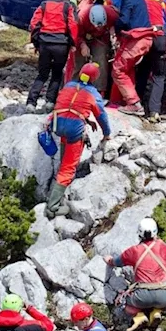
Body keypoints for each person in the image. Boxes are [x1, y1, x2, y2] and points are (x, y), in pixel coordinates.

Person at [46, 63, 113, 218]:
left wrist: (85, 119)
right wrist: (106, 133)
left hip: (58, 123)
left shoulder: (69, 85)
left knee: (65, 157)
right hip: (74, 129)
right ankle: (53, 207)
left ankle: (59, 189)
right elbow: (101, 115)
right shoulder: (93, 94)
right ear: (95, 78)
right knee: (69, 167)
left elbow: (68, 105)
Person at [103, 217, 166, 331]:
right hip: (164, 295)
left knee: (122, 301)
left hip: (142, 296)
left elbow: (116, 262)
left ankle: (140, 316)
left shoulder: (134, 251)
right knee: (161, 300)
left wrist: (109, 260)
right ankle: (156, 312)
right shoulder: (163, 246)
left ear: (139, 234)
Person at [111, 0, 158, 116]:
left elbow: (124, 20)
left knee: (118, 69)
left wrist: (114, 28)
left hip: (137, 39)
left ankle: (134, 104)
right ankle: (127, 100)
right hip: (146, 38)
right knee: (127, 68)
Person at [27, 0, 78, 110]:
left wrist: (36, 42)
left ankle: (31, 102)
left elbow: (34, 24)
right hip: (61, 44)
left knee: (42, 73)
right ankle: (50, 102)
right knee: (56, 73)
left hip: (44, 43)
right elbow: (72, 25)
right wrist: (73, 43)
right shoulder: (69, 6)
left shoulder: (44, 4)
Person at [70, 0, 111, 94]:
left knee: (76, 64)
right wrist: (83, 42)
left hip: (76, 29)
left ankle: (70, 91)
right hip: (82, 31)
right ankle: (97, 92)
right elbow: (81, 17)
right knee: (98, 61)